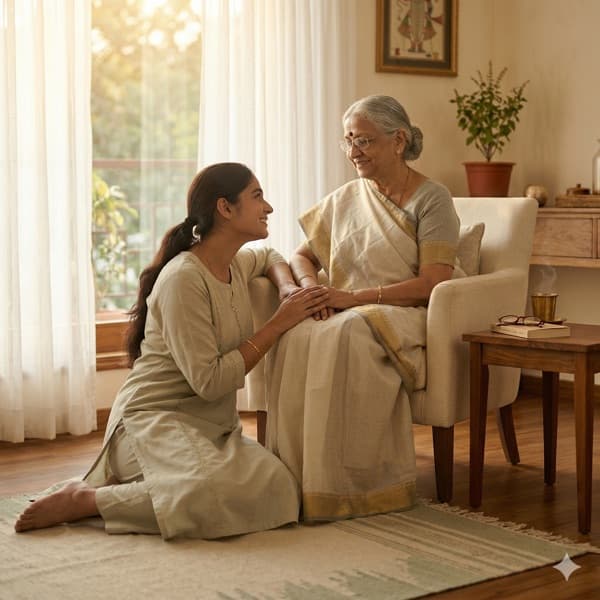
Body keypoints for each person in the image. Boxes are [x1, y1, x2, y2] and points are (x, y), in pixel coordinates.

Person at [15, 162, 329, 540]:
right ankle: (87, 501)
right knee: (198, 489)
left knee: (280, 489)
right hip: (151, 422)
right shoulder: (184, 278)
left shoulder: (234, 264)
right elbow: (210, 383)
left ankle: (126, 494)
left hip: (214, 431)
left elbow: (270, 256)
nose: (269, 207)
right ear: (225, 208)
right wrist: (279, 323)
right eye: (257, 196)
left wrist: (286, 288)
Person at [265, 95, 465, 522]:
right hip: (347, 305)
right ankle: (298, 478)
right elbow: (301, 257)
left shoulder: (433, 199)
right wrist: (313, 290)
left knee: (346, 333)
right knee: (297, 333)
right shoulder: (346, 198)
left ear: (399, 141)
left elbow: (434, 282)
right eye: (348, 141)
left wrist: (353, 299)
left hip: (408, 311)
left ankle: (356, 486)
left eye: (364, 141)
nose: (353, 152)